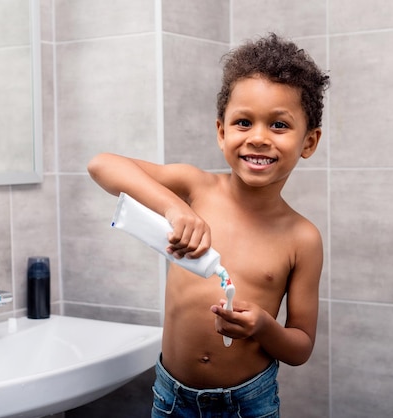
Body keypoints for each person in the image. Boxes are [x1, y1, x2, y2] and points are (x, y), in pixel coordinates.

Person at [87, 33, 329, 417]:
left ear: (309, 141)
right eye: (244, 122)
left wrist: (264, 328)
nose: (259, 138)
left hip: (248, 403)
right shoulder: (195, 188)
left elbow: (300, 347)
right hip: (170, 398)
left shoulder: (302, 237)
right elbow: (101, 165)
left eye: (279, 125)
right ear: (221, 132)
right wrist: (174, 208)